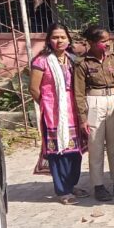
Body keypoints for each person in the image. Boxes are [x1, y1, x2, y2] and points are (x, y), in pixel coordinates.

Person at [29, 23, 88, 205]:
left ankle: (71, 184)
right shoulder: (41, 61)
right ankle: (63, 190)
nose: (59, 40)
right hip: (53, 115)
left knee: (75, 151)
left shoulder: (73, 60)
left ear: (68, 39)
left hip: (74, 112)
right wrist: (47, 105)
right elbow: (33, 88)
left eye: (63, 37)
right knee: (58, 151)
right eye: (55, 37)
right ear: (49, 40)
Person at [74, 25, 114, 201]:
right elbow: (79, 93)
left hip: (112, 101)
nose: (106, 43)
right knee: (95, 145)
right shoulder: (82, 63)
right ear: (91, 42)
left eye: (108, 40)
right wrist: (83, 118)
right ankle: (98, 185)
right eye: (102, 41)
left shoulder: (113, 59)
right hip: (94, 102)